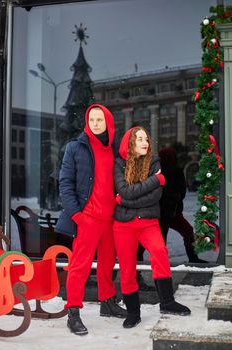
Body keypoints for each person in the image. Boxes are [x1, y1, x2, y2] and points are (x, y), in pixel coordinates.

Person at [55, 104, 126, 336]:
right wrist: (77, 215)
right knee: (80, 266)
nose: (95, 124)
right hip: (87, 218)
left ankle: (107, 302)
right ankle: (73, 312)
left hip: (110, 218)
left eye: (100, 120)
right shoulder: (76, 147)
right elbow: (65, 183)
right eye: (92, 120)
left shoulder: (115, 149)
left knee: (107, 264)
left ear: (108, 122)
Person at [113, 126, 191, 329]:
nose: (144, 142)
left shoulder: (154, 161)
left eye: (145, 138)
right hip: (123, 225)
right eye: (139, 139)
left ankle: (167, 302)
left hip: (148, 222)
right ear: (130, 143)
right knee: (128, 268)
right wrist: (155, 180)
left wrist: (125, 199)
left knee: (159, 251)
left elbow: (154, 195)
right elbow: (125, 190)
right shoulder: (119, 163)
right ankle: (133, 312)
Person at [158, 147, 206, 263]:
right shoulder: (175, 171)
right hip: (171, 212)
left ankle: (160, 263)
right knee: (187, 232)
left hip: (163, 213)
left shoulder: (158, 171)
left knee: (160, 240)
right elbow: (182, 192)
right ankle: (192, 258)